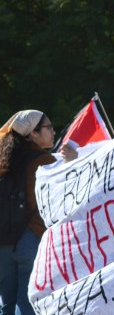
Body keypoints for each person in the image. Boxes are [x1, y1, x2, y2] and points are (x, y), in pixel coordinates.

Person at [0, 110, 57, 315]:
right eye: (48, 127)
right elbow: (47, 205)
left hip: (2, 241)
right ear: (33, 133)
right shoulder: (43, 161)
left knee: (7, 305)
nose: (53, 131)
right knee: (27, 305)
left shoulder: (3, 159)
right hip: (29, 239)